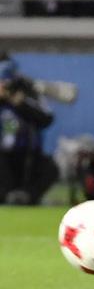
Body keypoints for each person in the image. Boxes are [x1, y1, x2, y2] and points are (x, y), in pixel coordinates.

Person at [0, 55, 58, 205]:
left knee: (51, 169)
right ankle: (6, 195)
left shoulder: (27, 91)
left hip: (28, 155)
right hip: (3, 157)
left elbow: (46, 118)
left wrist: (19, 103)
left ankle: (27, 196)